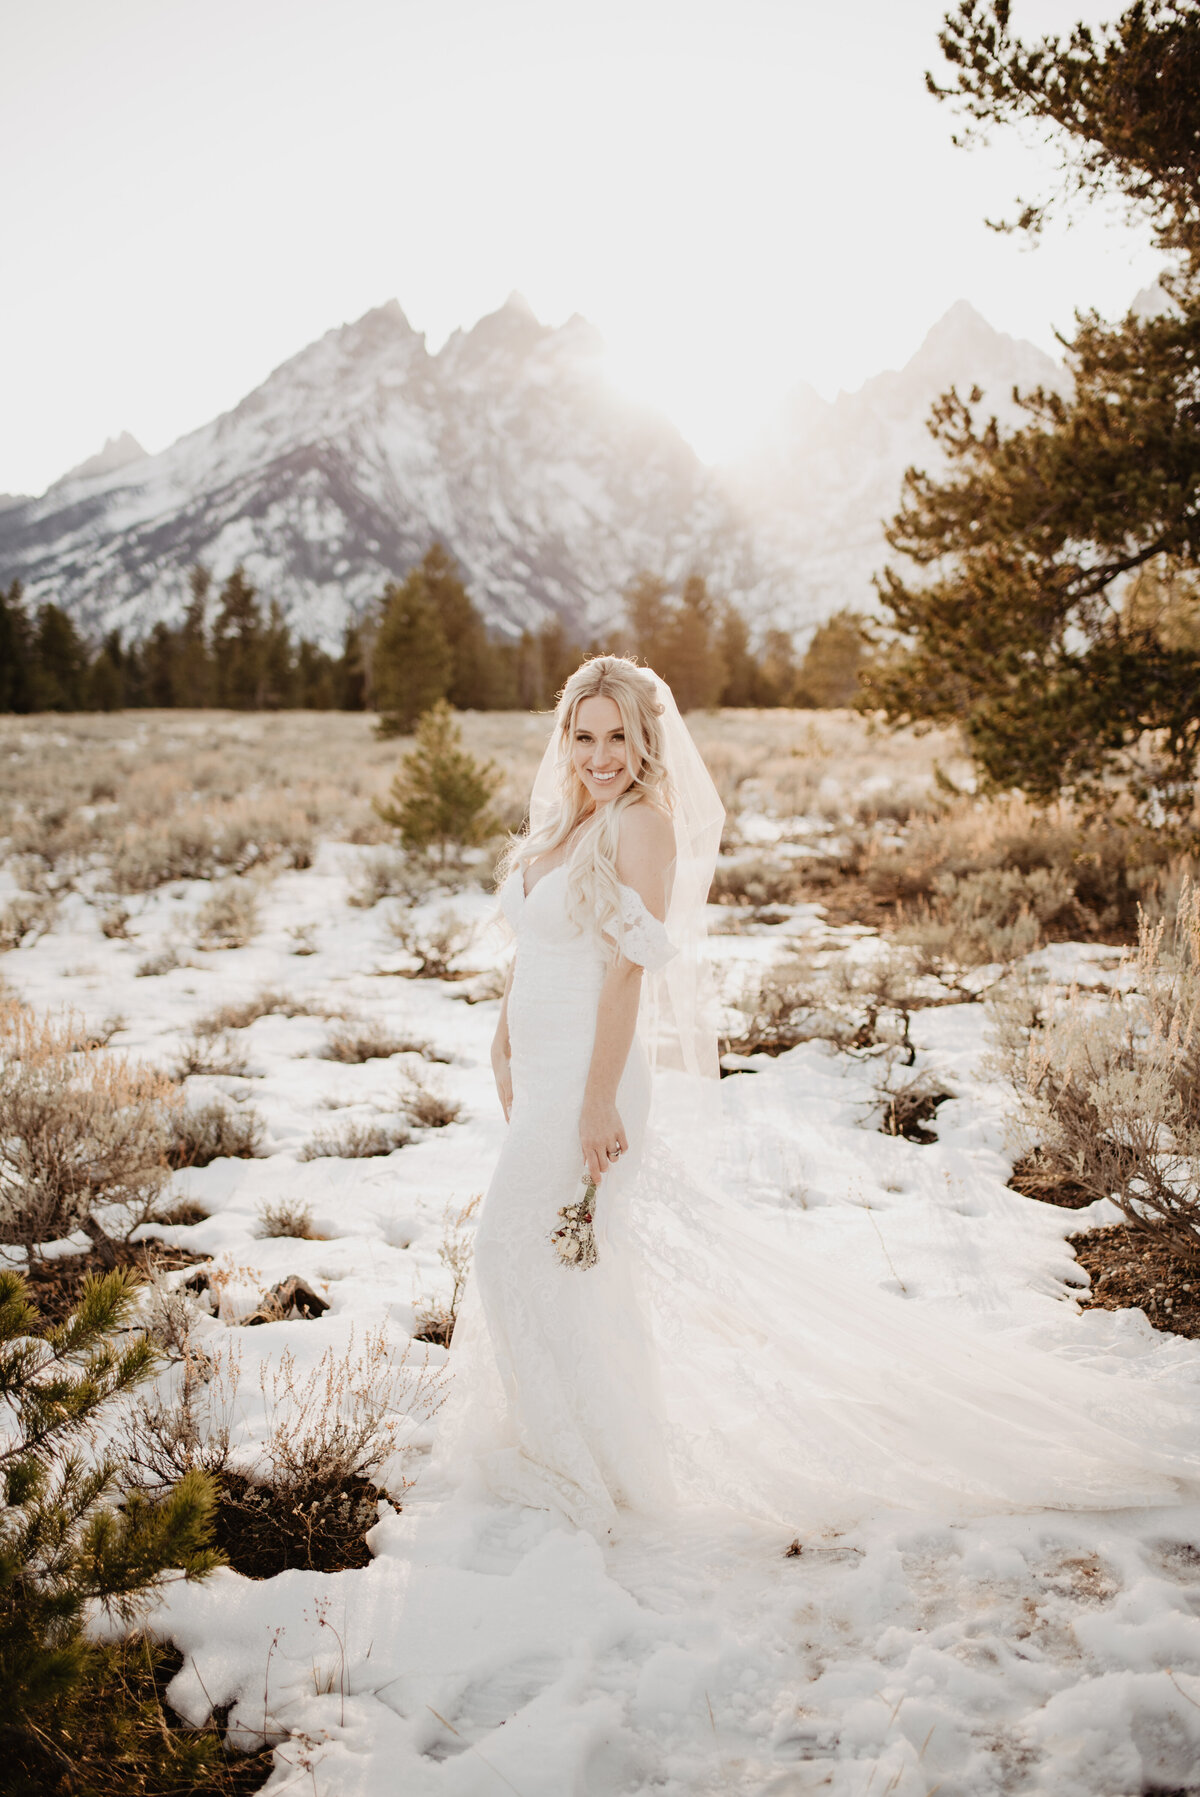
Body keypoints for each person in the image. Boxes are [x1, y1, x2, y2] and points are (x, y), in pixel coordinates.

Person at [432, 656, 1199, 1539]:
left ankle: (573, 1461)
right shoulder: (566, 821)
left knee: (504, 1252)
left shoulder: (640, 826)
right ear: (564, 735)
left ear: (646, 741)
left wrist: (598, 1097)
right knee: (566, 1266)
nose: (601, 754)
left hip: (588, 1079)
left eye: (619, 736)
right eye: (585, 734)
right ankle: (581, 1446)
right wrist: (501, 1038)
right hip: (542, 1072)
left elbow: (623, 976)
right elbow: (534, 948)